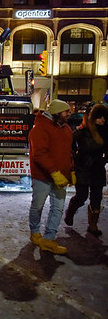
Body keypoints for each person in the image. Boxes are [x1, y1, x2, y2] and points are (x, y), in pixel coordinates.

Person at [28, 99, 74, 254]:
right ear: (57, 113)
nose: (69, 114)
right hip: (43, 177)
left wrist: (71, 170)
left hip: (60, 177)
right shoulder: (40, 129)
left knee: (58, 208)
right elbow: (39, 155)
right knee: (38, 206)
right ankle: (35, 233)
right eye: (66, 111)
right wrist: (54, 173)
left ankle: (49, 239)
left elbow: (68, 153)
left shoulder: (66, 129)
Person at [64, 103, 108, 236]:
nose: (103, 120)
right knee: (81, 196)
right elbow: (69, 147)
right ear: (92, 117)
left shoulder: (105, 133)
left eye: (104, 117)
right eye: (99, 117)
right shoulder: (82, 133)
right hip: (82, 168)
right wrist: (74, 162)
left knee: (97, 198)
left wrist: (104, 160)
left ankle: (93, 225)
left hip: (97, 169)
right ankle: (71, 210)